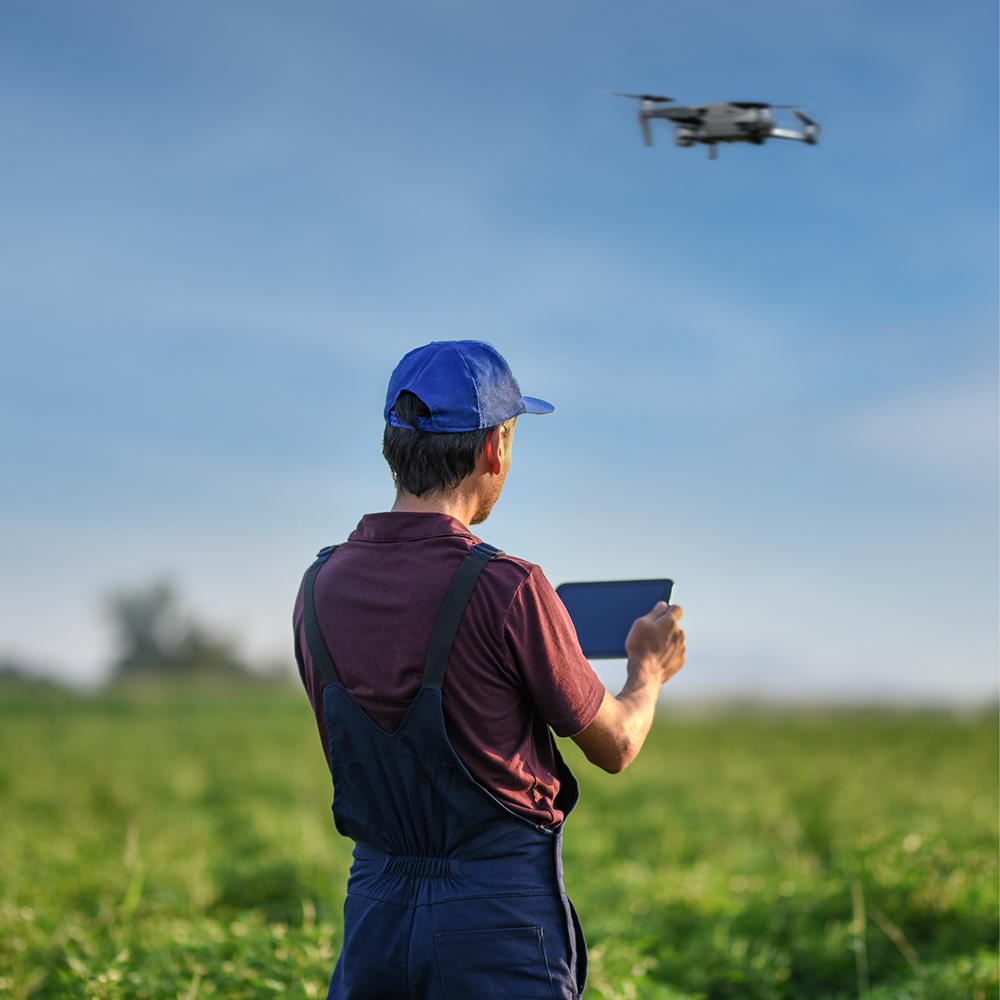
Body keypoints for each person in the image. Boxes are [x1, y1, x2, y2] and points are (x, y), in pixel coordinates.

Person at [294, 340, 686, 1000]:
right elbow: (616, 744)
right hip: (495, 919)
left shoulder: (318, 584)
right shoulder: (509, 588)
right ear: (494, 449)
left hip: (374, 923)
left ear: (394, 447)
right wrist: (648, 668)